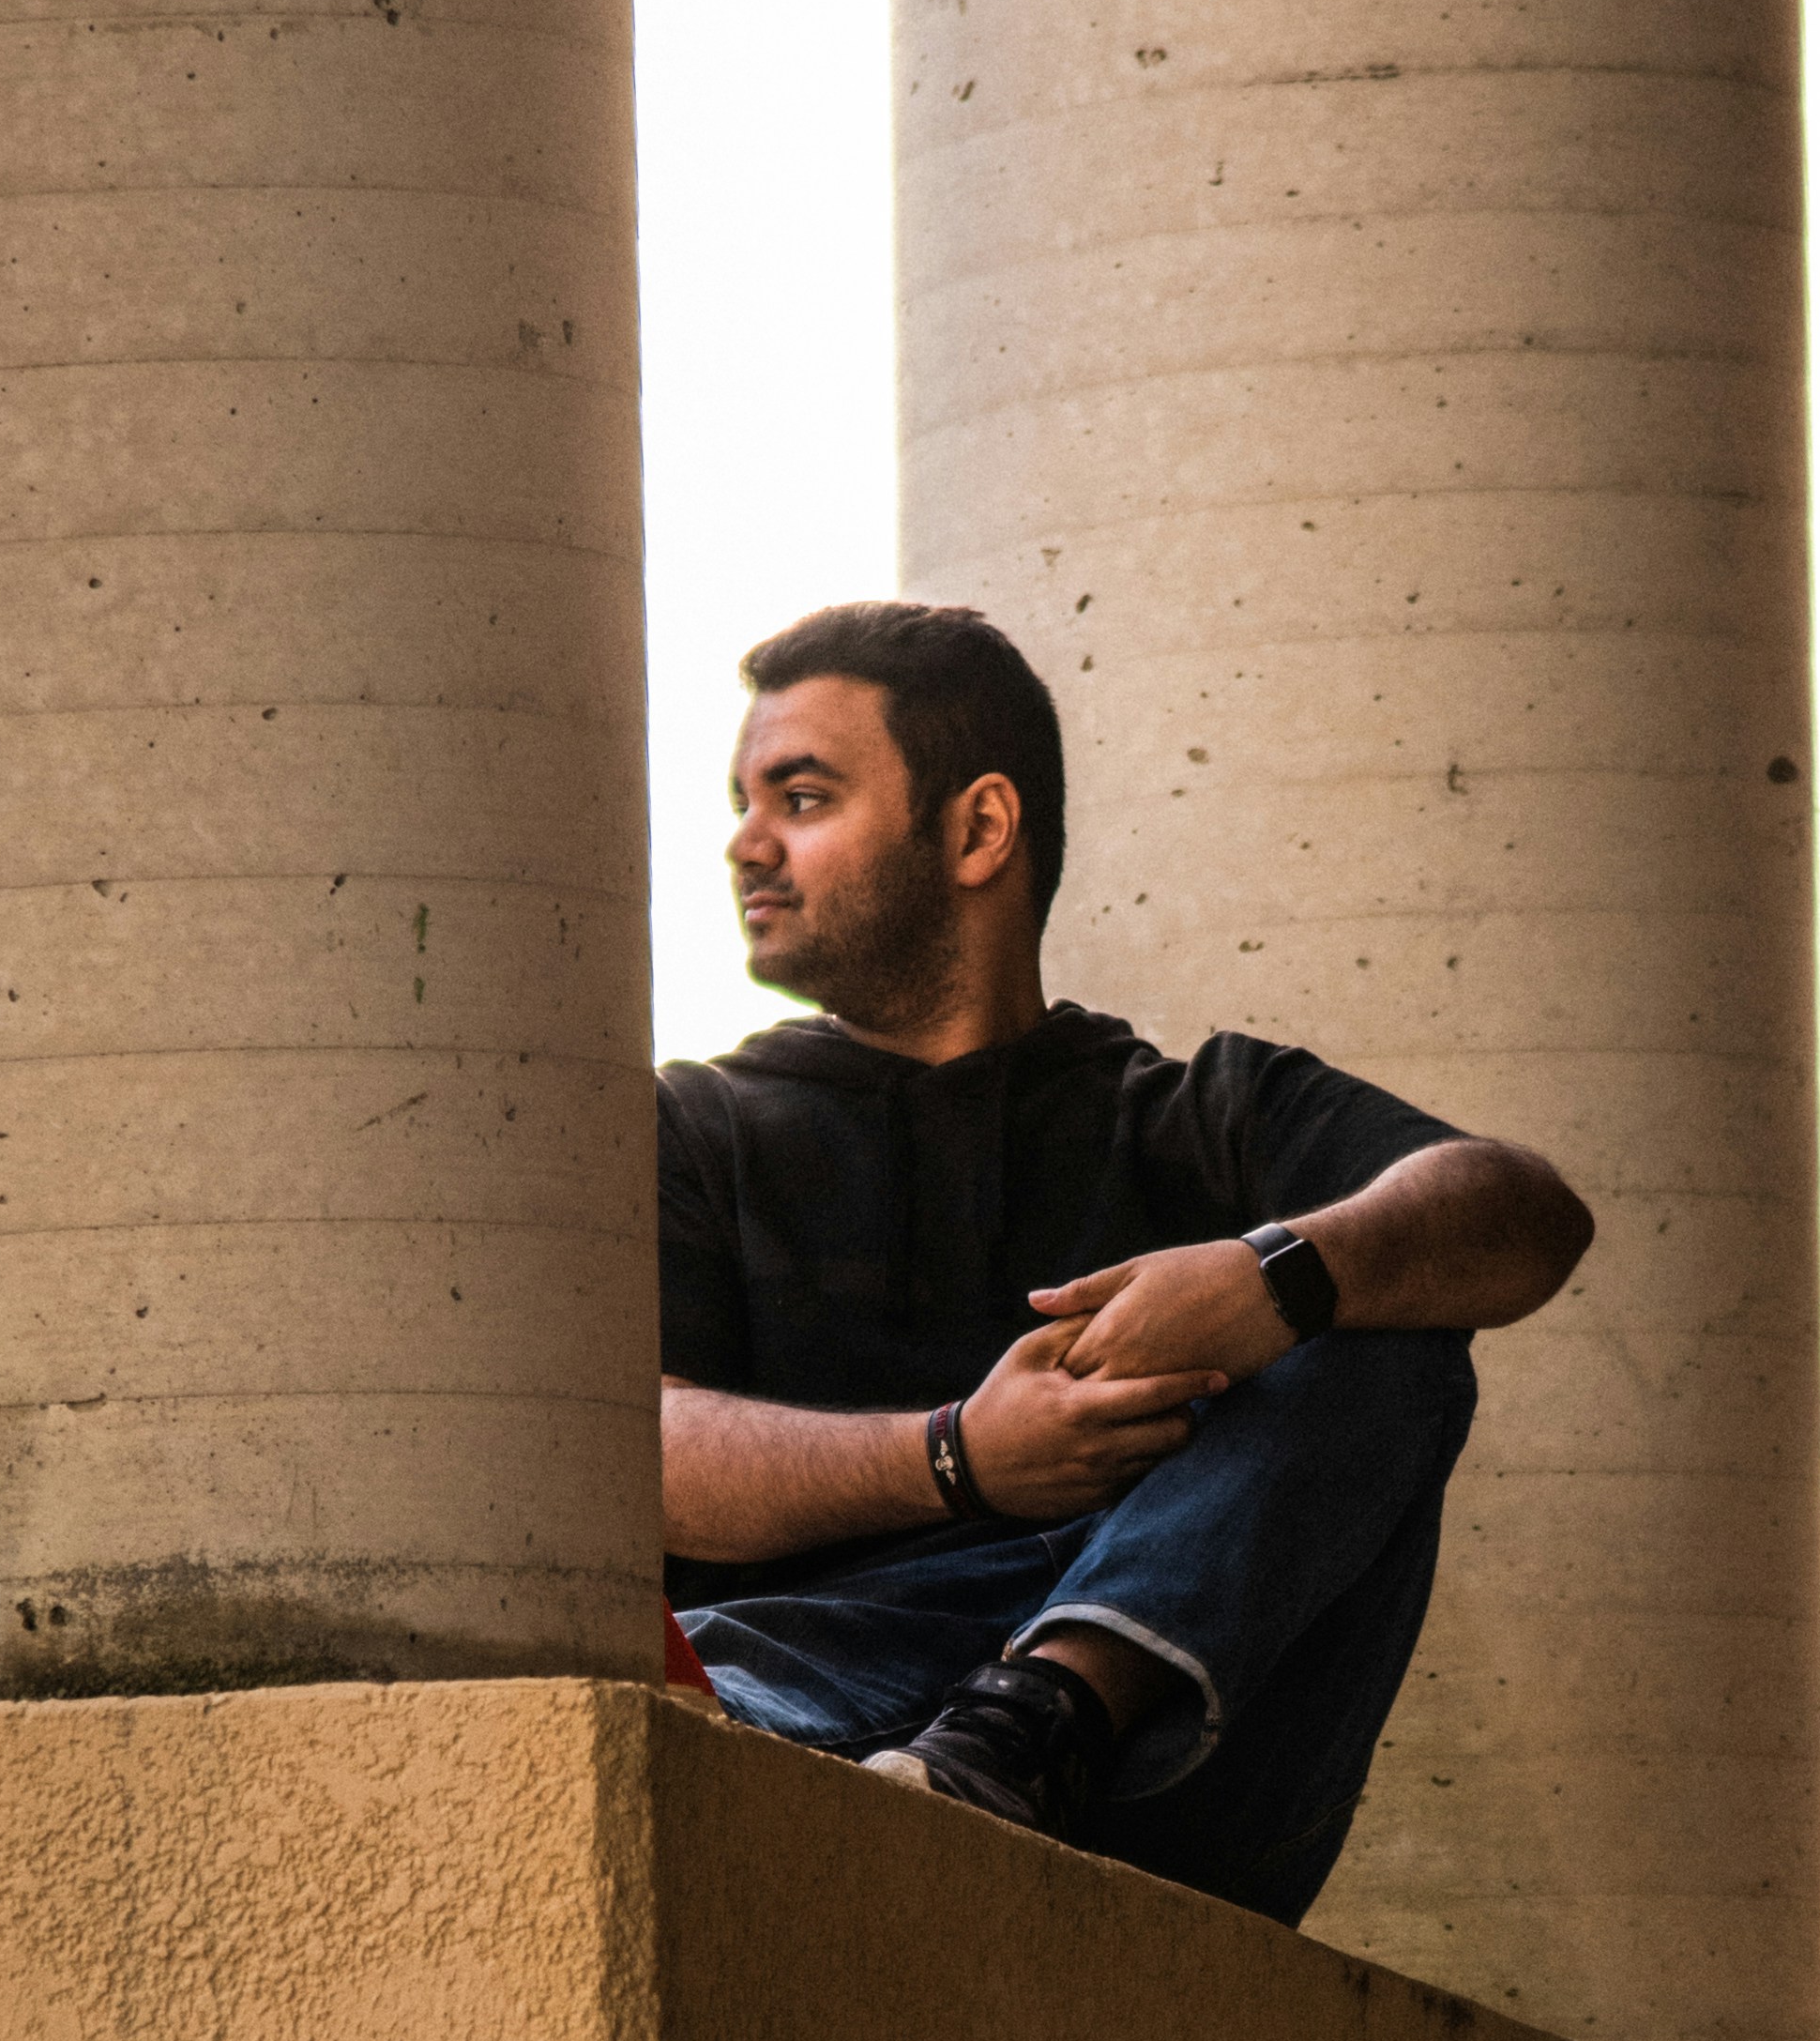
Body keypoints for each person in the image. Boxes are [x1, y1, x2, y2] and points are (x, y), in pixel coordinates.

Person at [657, 601, 1593, 1910]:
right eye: (746, 801)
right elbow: (627, 1456)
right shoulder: (690, 1131)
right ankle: (992, 1714)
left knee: (1388, 1332)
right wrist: (958, 1460)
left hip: (1150, 1777)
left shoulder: (1202, 1118)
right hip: (804, 1698)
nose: (746, 844)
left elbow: (1520, 1212)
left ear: (978, 829)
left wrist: (1275, 1277)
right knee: (703, 1667)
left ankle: (1036, 1713)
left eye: (802, 798)